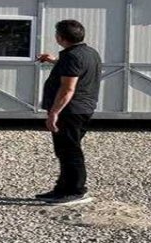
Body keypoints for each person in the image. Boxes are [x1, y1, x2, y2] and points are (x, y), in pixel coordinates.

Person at [34, 19, 102, 206]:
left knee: (70, 150)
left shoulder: (72, 57)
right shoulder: (88, 53)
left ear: (61, 37)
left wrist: (54, 113)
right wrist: (54, 60)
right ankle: (62, 188)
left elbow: (67, 89)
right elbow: (76, 69)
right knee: (64, 149)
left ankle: (76, 190)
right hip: (81, 108)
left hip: (71, 111)